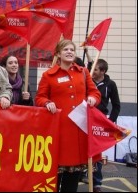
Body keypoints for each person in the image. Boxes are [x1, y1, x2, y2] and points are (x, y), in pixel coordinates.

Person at [35, 39, 101, 192]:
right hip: (59, 131)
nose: (70, 52)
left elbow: (94, 92)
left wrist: (92, 99)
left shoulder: (83, 72)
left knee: (73, 176)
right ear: (58, 54)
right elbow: (39, 97)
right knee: (53, 175)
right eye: (66, 50)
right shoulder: (48, 75)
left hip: (78, 130)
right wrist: (46, 103)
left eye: (72, 49)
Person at [82, 57, 121, 192]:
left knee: (97, 151)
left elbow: (116, 105)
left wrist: (110, 121)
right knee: (81, 147)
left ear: (103, 71)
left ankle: (97, 182)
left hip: (100, 121)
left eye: (96, 69)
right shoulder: (87, 82)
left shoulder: (111, 85)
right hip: (85, 119)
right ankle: (81, 174)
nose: (93, 71)